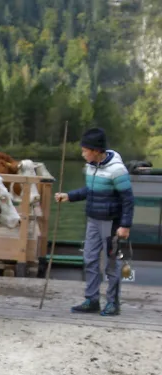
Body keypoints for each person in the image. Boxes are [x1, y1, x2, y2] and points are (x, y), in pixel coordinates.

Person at [54, 127, 134, 316]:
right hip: (93, 220)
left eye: (85, 150)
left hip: (111, 223)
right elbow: (90, 191)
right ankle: (92, 300)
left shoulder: (117, 170)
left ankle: (113, 303)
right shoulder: (91, 166)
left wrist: (125, 225)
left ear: (96, 151)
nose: (82, 154)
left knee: (111, 264)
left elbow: (128, 199)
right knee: (89, 258)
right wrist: (69, 196)